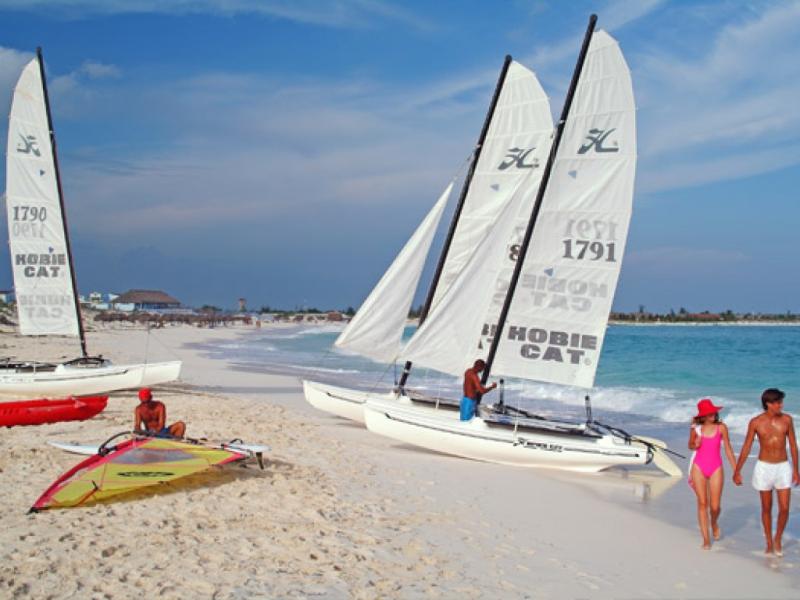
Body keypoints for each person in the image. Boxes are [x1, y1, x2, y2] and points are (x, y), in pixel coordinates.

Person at [733, 388, 799, 556]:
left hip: (783, 467)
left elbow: (792, 445)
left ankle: (778, 538)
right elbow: (747, 446)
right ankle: (769, 541)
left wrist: (796, 471)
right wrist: (737, 470)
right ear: (768, 404)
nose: (781, 405)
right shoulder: (756, 422)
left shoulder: (787, 420)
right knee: (766, 508)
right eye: (778, 403)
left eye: (781, 402)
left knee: (784, 508)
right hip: (764, 468)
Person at [687, 398, 737, 550]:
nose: (713, 415)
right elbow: (690, 445)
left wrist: (736, 470)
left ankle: (714, 523)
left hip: (716, 467)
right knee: (703, 503)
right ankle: (706, 539)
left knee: (715, 507)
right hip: (698, 467)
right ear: (703, 415)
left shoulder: (721, 428)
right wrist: (694, 444)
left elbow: (728, 449)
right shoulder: (696, 428)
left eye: (714, 412)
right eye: (709, 413)